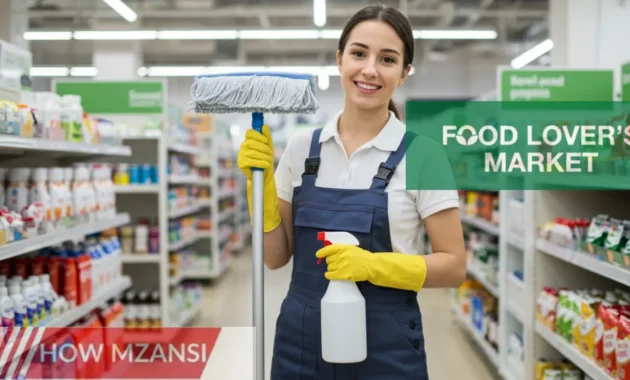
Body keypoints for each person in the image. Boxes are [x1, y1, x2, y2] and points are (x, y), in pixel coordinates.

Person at [237, 4, 467, 379]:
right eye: (359, 53)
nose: (370, 69)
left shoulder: (425, 155)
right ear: (340, 59)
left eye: (388, 59)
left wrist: (374, 266)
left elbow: (454, 266)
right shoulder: (300, 148)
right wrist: (258, 192)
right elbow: (275, 257)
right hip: (301, 341)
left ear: (405, 72)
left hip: (387, 345)